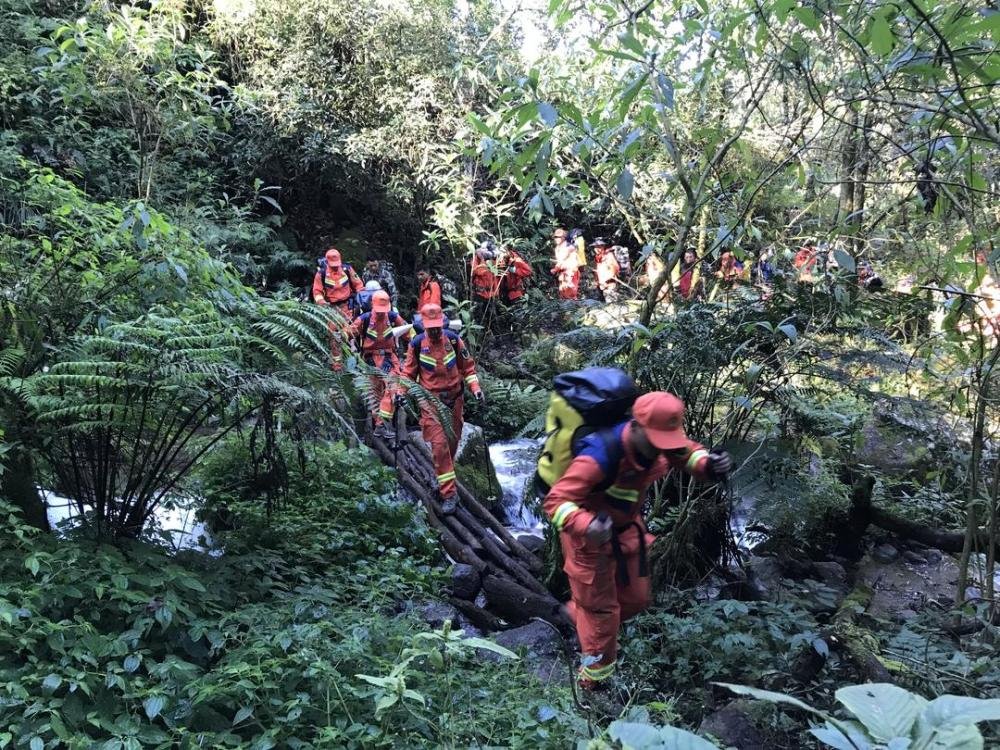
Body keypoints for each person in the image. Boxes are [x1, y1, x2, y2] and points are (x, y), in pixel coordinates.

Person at [543, 392, 732, 690]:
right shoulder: (599, 455)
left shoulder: (660, 442)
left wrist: (709, 464)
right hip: (588, 540)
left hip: (626, 531)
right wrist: (586, 525)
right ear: (636, 426)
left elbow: (687, 453)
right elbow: (556, 502)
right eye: (657, 440)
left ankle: (578, 614)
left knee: (637, 599)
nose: (662, 447)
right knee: (603, 614)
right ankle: (591, 684)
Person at [399, 303, 484, 515]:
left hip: (455, 401)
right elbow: (408, 374)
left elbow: (468, 368)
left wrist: (475, 389)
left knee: (452, 444)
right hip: (431, 403)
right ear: (424, 326)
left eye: (437, 327)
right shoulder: (417, 345)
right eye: (431, 328)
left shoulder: (454, 341)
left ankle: (445, 480)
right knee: (439, 447)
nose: (435, 331)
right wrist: (400, 392)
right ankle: (449, 494)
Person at [349, 290, 410, 431]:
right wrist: (345, 340)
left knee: (393, 386)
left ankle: (383, 423)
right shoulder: (364, 319)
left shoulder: (393, 317)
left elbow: (408, 333)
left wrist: (415, 344)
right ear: (372, 305)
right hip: (370, 358)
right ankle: (379, 425)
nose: (382, 313)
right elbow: (348, 332)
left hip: (390, 357)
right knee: (375, 393)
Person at [312, 248, 364, 371]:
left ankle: (356, 361)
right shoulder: (321, 274)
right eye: (333, 265)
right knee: (334, 337)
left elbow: (359, 285)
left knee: (353, 331)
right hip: (332, 308)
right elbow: (317, 291)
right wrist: (321, 302)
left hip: (348, 306)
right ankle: (337, 366)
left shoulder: (347, 269)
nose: (335, 267)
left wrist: (361, 298)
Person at [552, 228, 581, 300]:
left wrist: (555, 269)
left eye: (558, 237)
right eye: (555, 237)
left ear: (563, 238)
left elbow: (562, 259)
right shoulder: (557, 248)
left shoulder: (569, 246)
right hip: (563, 272)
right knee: (563, 292)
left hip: (570, 272)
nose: (556, 239)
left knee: (570, 293)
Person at [592, 238, 621, 303]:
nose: (597, 249)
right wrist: (597, 281)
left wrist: (607, 281)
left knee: (612, 303)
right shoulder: (598, 257)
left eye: (599, 247)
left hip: (609, 284)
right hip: (601, 285)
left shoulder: (608, 255)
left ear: (603, 246)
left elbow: (615, 268)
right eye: (595, 247)